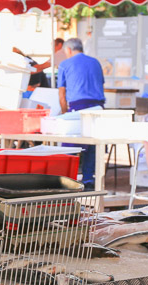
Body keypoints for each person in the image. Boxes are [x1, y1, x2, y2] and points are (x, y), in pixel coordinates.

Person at [57, 37, 105, 190]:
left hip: (78, 107)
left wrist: (64, 114)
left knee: (69, 146)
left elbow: (62, 94)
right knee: (93, 144)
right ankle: (89, 179)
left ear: (69, 50)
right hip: (98, 107)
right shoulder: (95, 62)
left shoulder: (65, 64)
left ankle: (67, 178)